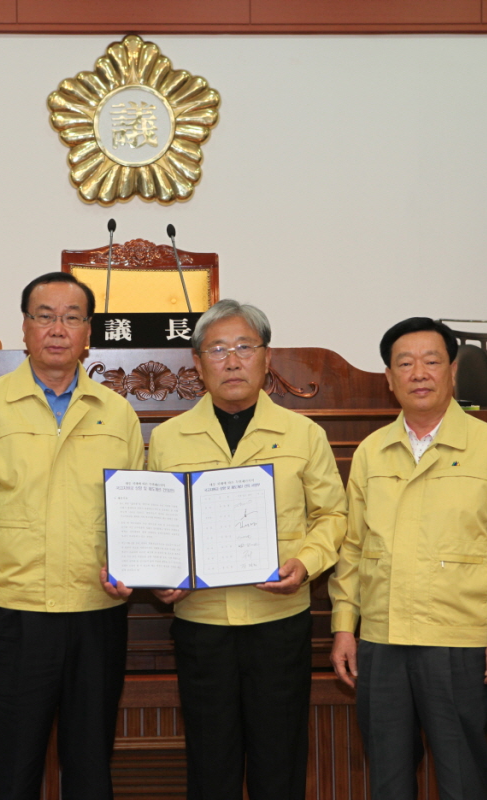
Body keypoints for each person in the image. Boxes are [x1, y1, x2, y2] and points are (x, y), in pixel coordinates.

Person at [105, 299, 346, 800]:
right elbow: (154, 524)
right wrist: (158, 578)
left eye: (243, 347)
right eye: (217, 349)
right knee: (210, 762)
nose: (232, 361)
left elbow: (333, 517)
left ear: (265, 357)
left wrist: (305, 564)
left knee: (278, 760)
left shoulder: (304, 434)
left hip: (278, 622)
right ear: (197, 363)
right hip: (202, 627)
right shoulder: (168, 438)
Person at [0, 272, 144, 800]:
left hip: (95, 612)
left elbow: (133, 515)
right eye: (44, 316)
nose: (58, 329)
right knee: (12, 773)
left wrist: (135, 568)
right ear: (25, 328)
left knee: (90, 771)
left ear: (89, 333)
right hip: (11, 615)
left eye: (72, 317)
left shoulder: (116, 413)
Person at [327, 317, 487, 800]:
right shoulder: (373, 452)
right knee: (388, 778)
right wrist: (343, 626)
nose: (419, 372)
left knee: (464, 778)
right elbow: (353, 547)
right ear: (389, 378)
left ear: (453, 371)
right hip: (382, 640)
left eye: (432, 361)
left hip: (460, 643)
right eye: (405, 363)